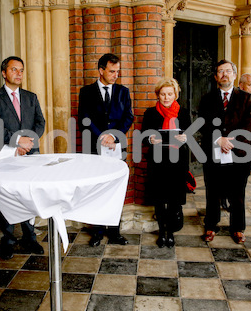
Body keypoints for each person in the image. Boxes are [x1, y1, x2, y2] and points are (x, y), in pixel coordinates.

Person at [0, 56, 46, 259]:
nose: (19, 74)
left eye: (21, 70)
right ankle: (8, 239)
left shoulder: (31, 97)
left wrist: (28, 141)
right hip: (6, 154)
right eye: (14, 70)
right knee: (7, 195)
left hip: (30, 153)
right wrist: (17, 142)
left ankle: (30, 237)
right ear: (4, 73)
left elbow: (41, 122)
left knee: (28, 193)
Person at [78, 53, 134, 247]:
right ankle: (98, 232)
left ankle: (115, 231)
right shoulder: (86, 92)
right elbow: (84, 119)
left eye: (118, 71)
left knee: (116, 189)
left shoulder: (123, 91)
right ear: (101, 70)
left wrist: (114, 136)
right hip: (95, 147)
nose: (116, 75)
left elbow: (128, 117)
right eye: (112, 71)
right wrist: (103, 136)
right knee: (98, 188)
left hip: (116, 147)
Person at [198, 59, 251, 244]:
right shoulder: (207, 98)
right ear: (216, 76)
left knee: (237, 192)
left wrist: (230, 142)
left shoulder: (246, 98)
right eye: (221, 71)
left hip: (238, 151)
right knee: (212, 190)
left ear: (234, 74)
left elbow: (250, 125)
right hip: (213, 151)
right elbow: (203, 122)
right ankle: (211, 225)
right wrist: (218, 139)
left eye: (228, 71)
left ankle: (237, 228)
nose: (225, 74)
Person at [141, 78, 191, 247]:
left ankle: (171, 232)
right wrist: (150, 139)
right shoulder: (150, 113)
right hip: (158, 161)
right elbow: (143, 136)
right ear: (158, 95)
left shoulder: (183, 113)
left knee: (174, 198)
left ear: (175, 95)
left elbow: (190, 136)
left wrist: (185, 138)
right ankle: (162, 231)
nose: (166, 97)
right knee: (159, 198)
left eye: (170, 94)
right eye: (163, 94)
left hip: (177, 162)